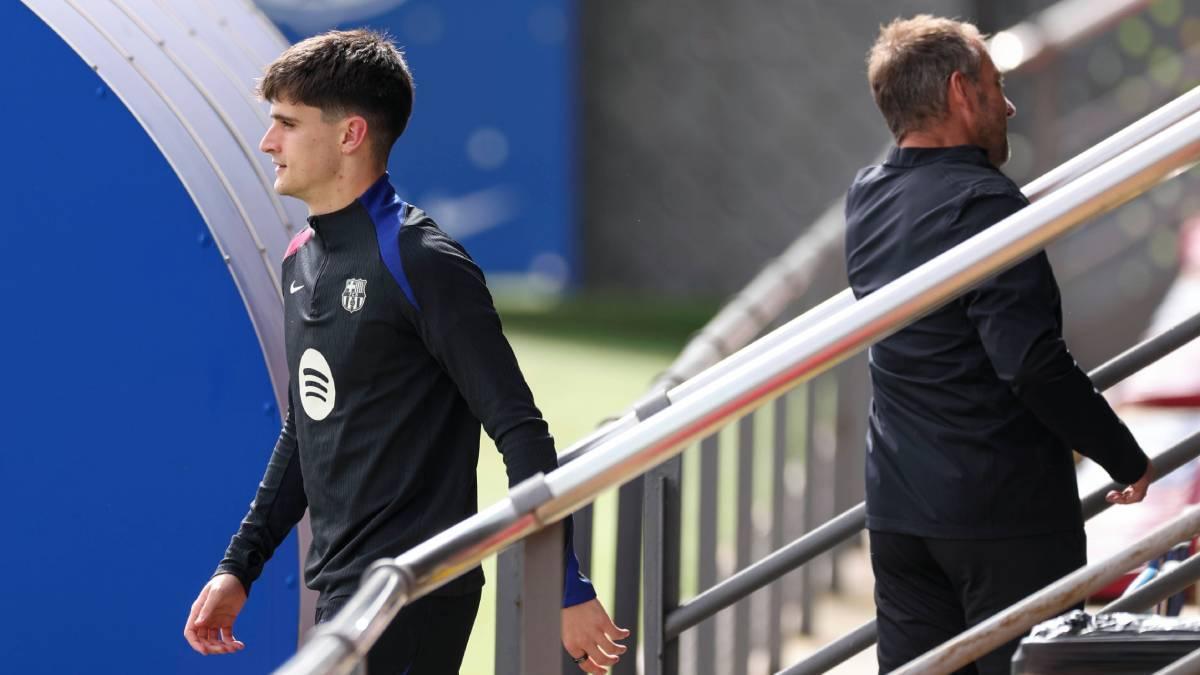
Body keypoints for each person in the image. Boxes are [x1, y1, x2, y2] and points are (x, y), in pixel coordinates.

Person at [182, 29, 628, 675]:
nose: (267, 142)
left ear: (350, 135)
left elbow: (518, 427)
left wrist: (567, 586)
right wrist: (238, 567)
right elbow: (306, 427)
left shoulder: (420, 259)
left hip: (416, 586)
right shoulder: (300, 258)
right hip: (343, 588)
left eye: (286, 123)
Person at [845, 15, 1154, 674]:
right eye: (995, 84)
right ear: (961, 92)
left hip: (900, 511)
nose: (1008, 104)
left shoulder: (867, 198)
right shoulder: (985, 206)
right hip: (1001, 516)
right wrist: (1123, 456)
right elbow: (1031, 362)